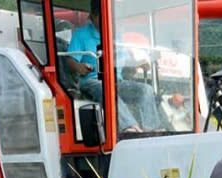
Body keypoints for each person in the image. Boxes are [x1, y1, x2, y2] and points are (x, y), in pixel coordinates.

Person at [65, 0, 164, 133]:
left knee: (145, 89)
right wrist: (80, 67)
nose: (110, 19)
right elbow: (70, 60)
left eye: (111, 16)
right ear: (93, 16)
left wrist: (138, 64)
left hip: (117, 81)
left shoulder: (115, 35)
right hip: (93, 81)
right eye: (105, 15)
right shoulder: (81, 34)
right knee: (107, 88)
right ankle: (129, 127)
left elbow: (121, 60)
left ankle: (152, 129)